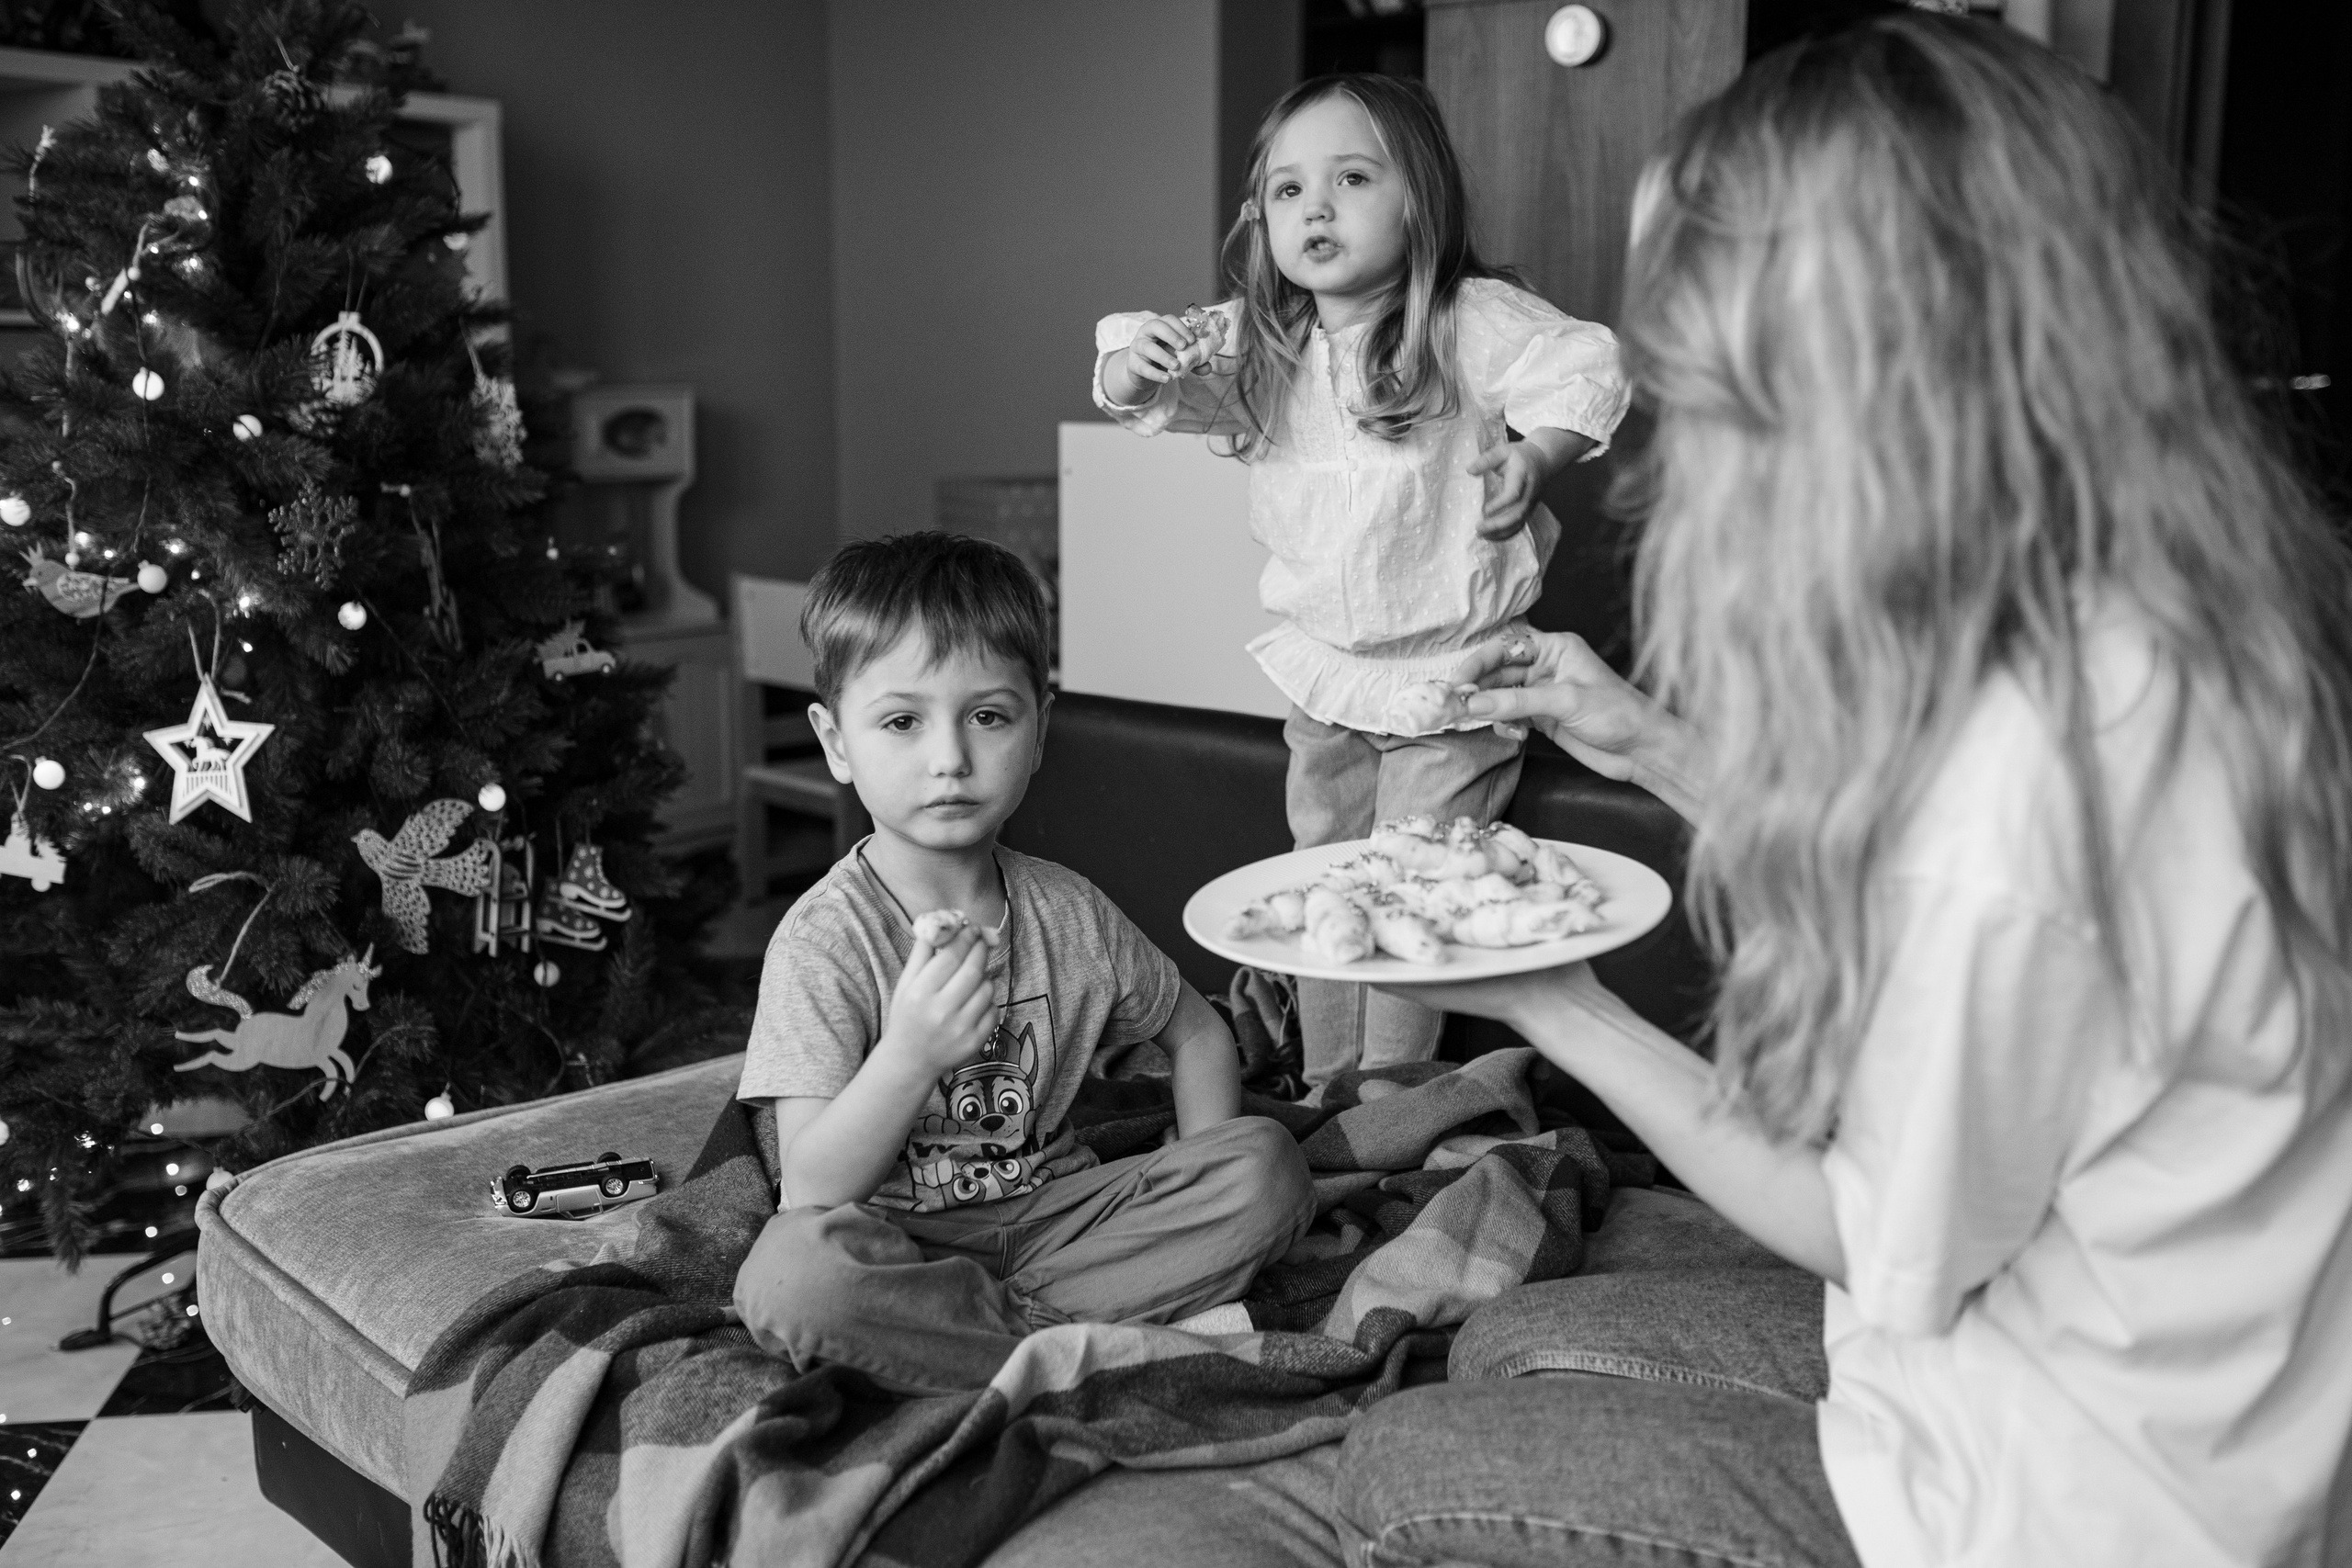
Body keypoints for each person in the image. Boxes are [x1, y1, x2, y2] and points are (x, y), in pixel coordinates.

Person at [1332, 15, 2352, 1568]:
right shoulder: (2175, 624)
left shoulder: (2024, 784)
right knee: (1492, 1340)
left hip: (2063, 1506)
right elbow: (1969, 911)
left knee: (1393, 1470)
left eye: (1715, 382)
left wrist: (1552, 997)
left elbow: (1872, 1235)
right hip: (2111, 1387)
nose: (1685, 449)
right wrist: (1656, 741)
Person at [1091, 73, 1631, 1087]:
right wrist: (1138, 360)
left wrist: (1537, 456)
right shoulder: (1261, 339)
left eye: (1350, 178)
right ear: (1261, 218)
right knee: (1326, 873)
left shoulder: (1465, 319)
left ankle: (1390, 1092)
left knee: (1414, 882)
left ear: (1416, 199)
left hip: (1452, 673)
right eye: (1289, 191)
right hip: (1324, 674)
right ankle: (1326, 1080)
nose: (1318, 208)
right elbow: (1131, 379)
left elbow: (1585, 364)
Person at [730, 533, 1316, 1395]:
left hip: (1062, 1220)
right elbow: (809, 1189)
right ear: (836, 741)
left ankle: (990, 1345)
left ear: (1040, 727)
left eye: (989, 716)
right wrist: (910, 1055)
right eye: (901, 721)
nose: (949, 759)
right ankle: (1071, 1339)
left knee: (1266, 1166)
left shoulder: (1069, 910)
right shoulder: (824, 940)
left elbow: (1198, 1032)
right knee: (788, 1279)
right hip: (904, 1246)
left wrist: (1187, 1178)